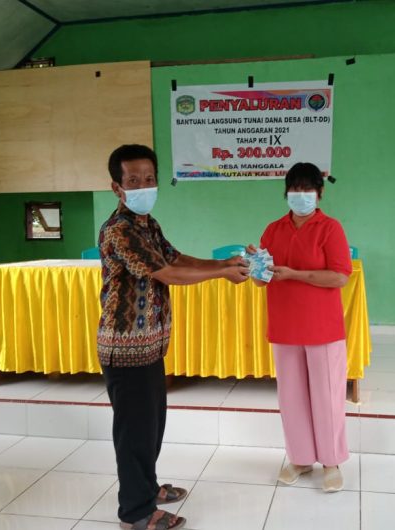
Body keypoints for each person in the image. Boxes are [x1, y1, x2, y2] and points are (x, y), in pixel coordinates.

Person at [98, 144, 249, 530]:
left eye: (149, 179)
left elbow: (176, 258)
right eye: (134, 180)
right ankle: (136, 512)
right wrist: (221, 274)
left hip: (150, 345)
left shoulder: (147, 224)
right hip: (125, 348)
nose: (144, 186)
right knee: (135, 433)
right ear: (117, 187)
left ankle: (147, 488)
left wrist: (223, 262)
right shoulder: (120, 230)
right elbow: (166, 274)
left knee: (151, 426)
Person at [247, 162, 352, 493]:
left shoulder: (330, 228)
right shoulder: (273, 229)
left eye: (308, 189)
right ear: (286, 192)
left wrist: (295, 274)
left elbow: (340, 276)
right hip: (285, 326)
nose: (301, 195)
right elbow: (261, 281)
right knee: (291, 398)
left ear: (319, 193)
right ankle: (300, 459)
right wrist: (254, 265)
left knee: (326, 396)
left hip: (322, 328)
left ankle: (331, 462)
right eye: (295, 189)